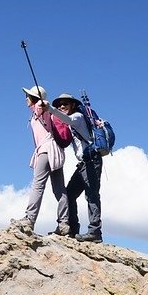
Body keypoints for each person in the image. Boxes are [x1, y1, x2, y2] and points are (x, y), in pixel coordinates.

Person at [42, 93, 103, 243]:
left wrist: (50, 108)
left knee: (92, 195)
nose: (62, 106)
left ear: (73, 106)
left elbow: (67, 119)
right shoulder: (72, 122)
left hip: (91, 161)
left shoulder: (77, 117)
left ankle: (95, 232)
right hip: (84, 163)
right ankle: (73, 229)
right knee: (69, 194)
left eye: (66, 104)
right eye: (60, 104)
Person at [11, 85, 70, 236]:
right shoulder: (40, 114)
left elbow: (41, 106)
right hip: (55, 153)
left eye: (28, 96)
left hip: (45, 151)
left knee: (38, 185)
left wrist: (42, 103)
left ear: (34, 99)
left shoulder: (40, 110)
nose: (26, 99)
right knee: (59, 189)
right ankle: (64, 224)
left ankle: (29, 219)